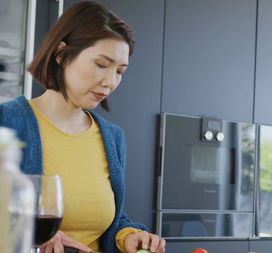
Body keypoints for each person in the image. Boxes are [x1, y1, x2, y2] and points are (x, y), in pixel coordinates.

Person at [0, 2, 165, 253]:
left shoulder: (112, 137)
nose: (110, 81)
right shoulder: (8, 121)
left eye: (120, 71)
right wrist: (26, 232)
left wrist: (128, 235)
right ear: (61, 54)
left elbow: (109, 218)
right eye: (101, 64)